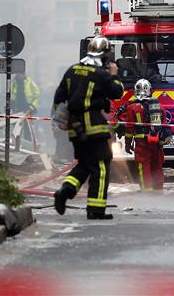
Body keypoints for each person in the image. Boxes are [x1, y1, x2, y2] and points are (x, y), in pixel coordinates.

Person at [53, 36, 124, 220]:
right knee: (102, 163)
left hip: (74, 127)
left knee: (85, 163)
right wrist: (114, 74)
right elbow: (116, 93)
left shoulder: (72, 70)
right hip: (93, 125)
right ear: (105, 54)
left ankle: (65, 191)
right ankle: (96, 209)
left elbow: (59, 97)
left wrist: (61, 121)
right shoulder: (100, 73)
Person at [124, 79, 172, 192]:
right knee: (157, 167)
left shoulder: (132, 107)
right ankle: (158, 191)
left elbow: (129, 128)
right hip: (156, 143)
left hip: (142, 144)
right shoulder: (159, 107)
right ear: (150, 91)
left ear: (135, 91)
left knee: (143, 168)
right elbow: (165, 123)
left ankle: (147, 193)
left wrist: (127, 143)